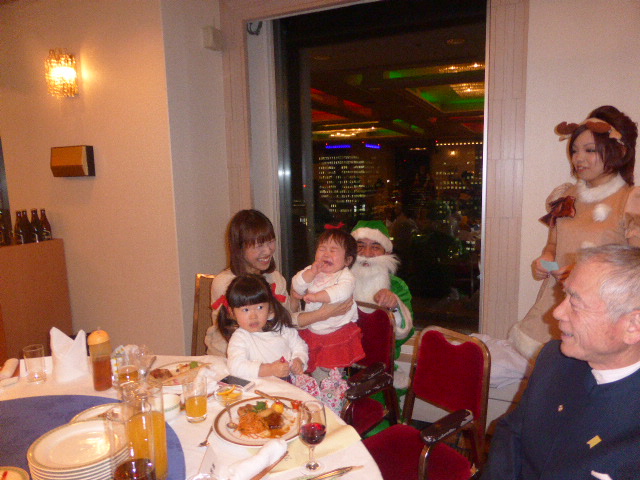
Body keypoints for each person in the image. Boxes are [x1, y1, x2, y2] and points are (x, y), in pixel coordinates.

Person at [481, 244, 640, 479]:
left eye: (575, 303)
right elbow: (512, 433)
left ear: (633, 326)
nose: (557, 313)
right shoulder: (554, 359)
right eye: (564, 294)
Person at [509, 106, 640, 360]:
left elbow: (635, 270)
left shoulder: (630, 200)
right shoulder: (566, 196)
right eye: (575, 150)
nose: (578, 158)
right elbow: (553, 247)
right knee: (549, 373)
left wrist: (582, 273)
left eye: (590, 150)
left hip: (599, 316)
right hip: (555, 304)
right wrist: (544, 262)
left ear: (620, 151)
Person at [205, 209, 352, 356]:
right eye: (259, 245)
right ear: (240, 247)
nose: (268, 251)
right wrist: (324, 313)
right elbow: (263, 328)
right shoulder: (225, 284)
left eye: (270, 242)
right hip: (226, 359)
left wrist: (295, 297)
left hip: (268, 359)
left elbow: (287, 321)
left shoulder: (274, 278)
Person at [292, 227, 364, 375]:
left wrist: (317, 297)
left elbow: (341, 292)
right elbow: (296, 285)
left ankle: (332, 388)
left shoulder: (345, 276)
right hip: (313, 329)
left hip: (336, 331)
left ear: (347, 260)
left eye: (333, 250)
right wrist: (311, 273)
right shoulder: (313, 270)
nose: (326, 253)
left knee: (330, 372)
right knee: (311, 367)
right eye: (322, 249)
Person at [218, 274, 308, 380]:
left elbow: (299, 346)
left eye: (260, 307)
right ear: (232, 312)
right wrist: (269, 369)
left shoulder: (281, 328)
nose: (253, 316)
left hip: (288, 383)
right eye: (246, 310)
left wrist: (299, 359)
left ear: (269, 307)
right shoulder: (240, 338)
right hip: (261, 387)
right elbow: (235, 367)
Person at [350, 220, 414, 341]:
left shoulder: (397, 285)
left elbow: (403, 335)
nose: (367, 254)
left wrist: (394, 306)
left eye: (375, 247)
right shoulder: (337, 280)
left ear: (387, 253)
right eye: (360, 246)